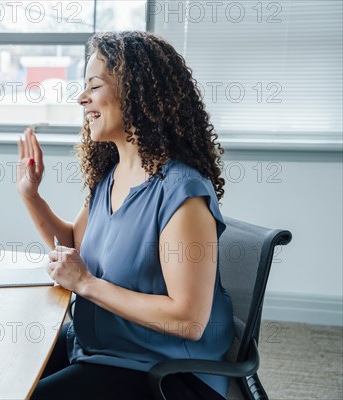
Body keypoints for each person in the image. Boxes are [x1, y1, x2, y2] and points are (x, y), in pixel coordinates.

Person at [16, 31, 234, 399]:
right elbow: (74, 249)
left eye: (94, 86)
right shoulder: (110, 176)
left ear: (137, 94)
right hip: (101, 350)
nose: (82, 98)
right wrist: (30, 195)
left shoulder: (183, 193)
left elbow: (189, 319)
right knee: (7, 375)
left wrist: (85, 285)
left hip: (162, 372)